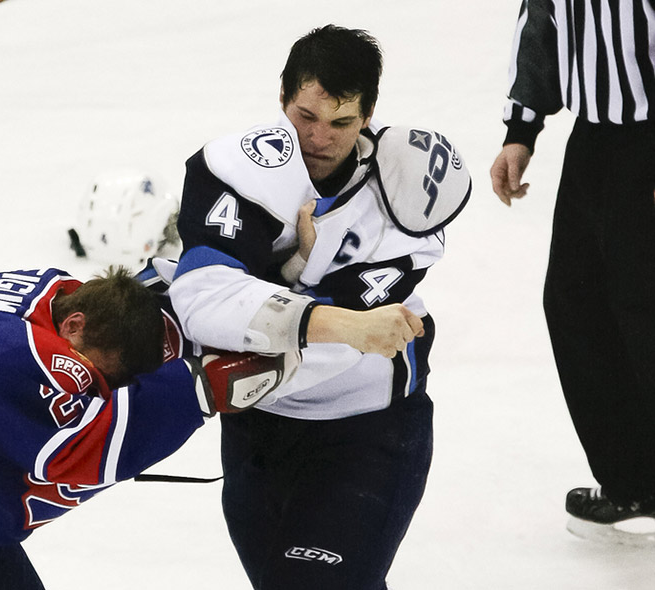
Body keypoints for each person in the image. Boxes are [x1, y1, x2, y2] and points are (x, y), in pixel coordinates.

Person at [0, 264, 418, 590]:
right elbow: (88, 447)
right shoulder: (11, 353)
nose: (95, 394)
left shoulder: (72, 303)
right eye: (96, 380)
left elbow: (161, 301)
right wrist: (202, 389)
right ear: (71, 330)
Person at [168, 25, 471, 589]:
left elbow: (363, 337)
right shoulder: (243, 166)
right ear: (283, 99)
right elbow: (202, 299)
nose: (319, 138)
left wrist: (278, 285)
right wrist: (301, 275)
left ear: (369, 116)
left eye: (341, 122)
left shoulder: (409, 194)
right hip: (257, 431)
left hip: (368, 431)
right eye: (306, 116)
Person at [490, 0, 655, 541]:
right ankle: (634, 480)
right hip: (596, 143)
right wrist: (521, 129)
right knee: (576, 302)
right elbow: (540, 21)